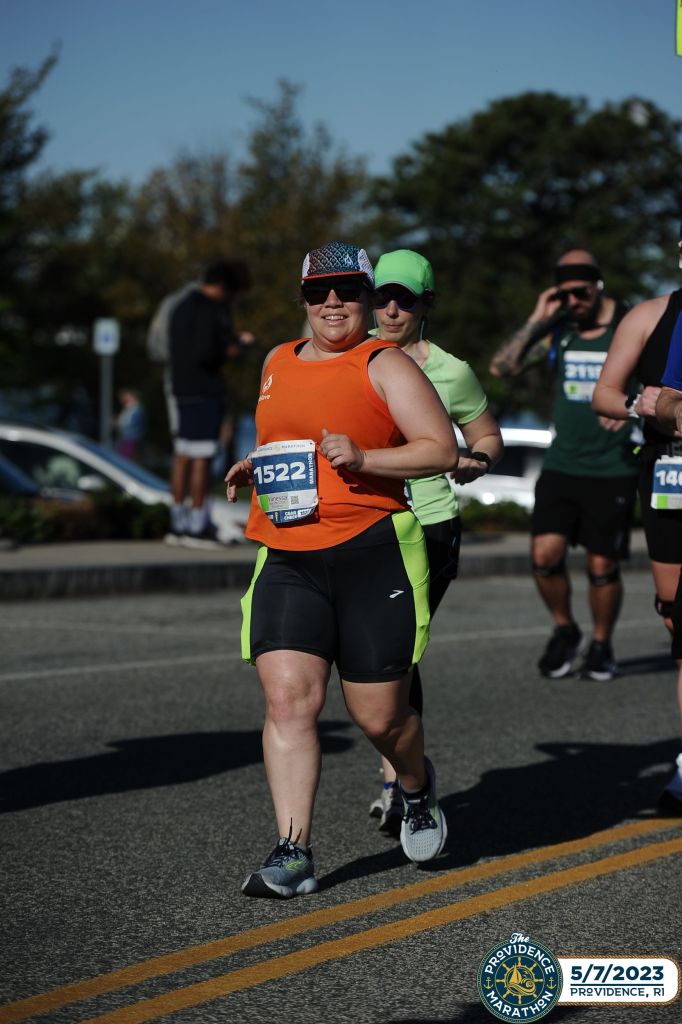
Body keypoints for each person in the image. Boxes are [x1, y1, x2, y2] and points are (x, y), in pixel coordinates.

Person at [225, 241, 458, 898]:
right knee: (288, 700)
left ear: (365, 296)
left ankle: (414, 787)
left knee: (381, 719)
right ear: (302, 299)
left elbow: (439, 449)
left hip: (369, 551)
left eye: (349, 291)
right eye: (319, 292)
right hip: (287, 553)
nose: (334, 303)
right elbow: (285, 440)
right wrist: (256, 465)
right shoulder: (275, 361)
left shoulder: (383, 364)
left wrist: (364, 459)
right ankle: (293, 849)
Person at [367, 248, 503, 836]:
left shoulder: (451, 370)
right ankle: (406, 769)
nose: (392, 309)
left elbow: (486, 434)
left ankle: (398, 778)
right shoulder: (353, 357)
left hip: (430, 522)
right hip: (365, 521)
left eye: (406, 299)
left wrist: (479, 461)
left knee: (397, 649)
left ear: (427, 305)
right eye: (383, 296)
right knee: (371, 654)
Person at [490, 249, 637, 681]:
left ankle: (602, 643)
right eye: (565, 293)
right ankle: (565, 629)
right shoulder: (559, 332)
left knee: (601, 566)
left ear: (598, 285)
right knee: (544, 555)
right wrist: (539, 316)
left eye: (581, 291)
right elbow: (502, 367)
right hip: (561, 464)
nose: (574, 301)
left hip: (612, 467)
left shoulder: (630, 326)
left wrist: (632, 410)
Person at [624, 227, 682, 814]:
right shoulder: (656, 315)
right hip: (668, 473)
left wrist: (667, 404)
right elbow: (614, 393)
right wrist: (642, 405)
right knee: (676, 615)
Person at [159, 260, 252, 548]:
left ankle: (178, 523)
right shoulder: (212, 309)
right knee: (202, 456)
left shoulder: (180, 306)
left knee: (183, 454)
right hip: (205, 390)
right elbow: (209, 351)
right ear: (223, 288)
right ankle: (197, 526)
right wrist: (237, 346)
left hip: (180, 388)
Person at [113, 388, 146, 462]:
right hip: (127, 438)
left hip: (130, 439)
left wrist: (118, 422)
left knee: (125, 460)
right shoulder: (130, 408)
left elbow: (129, 423)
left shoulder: (135, 409)